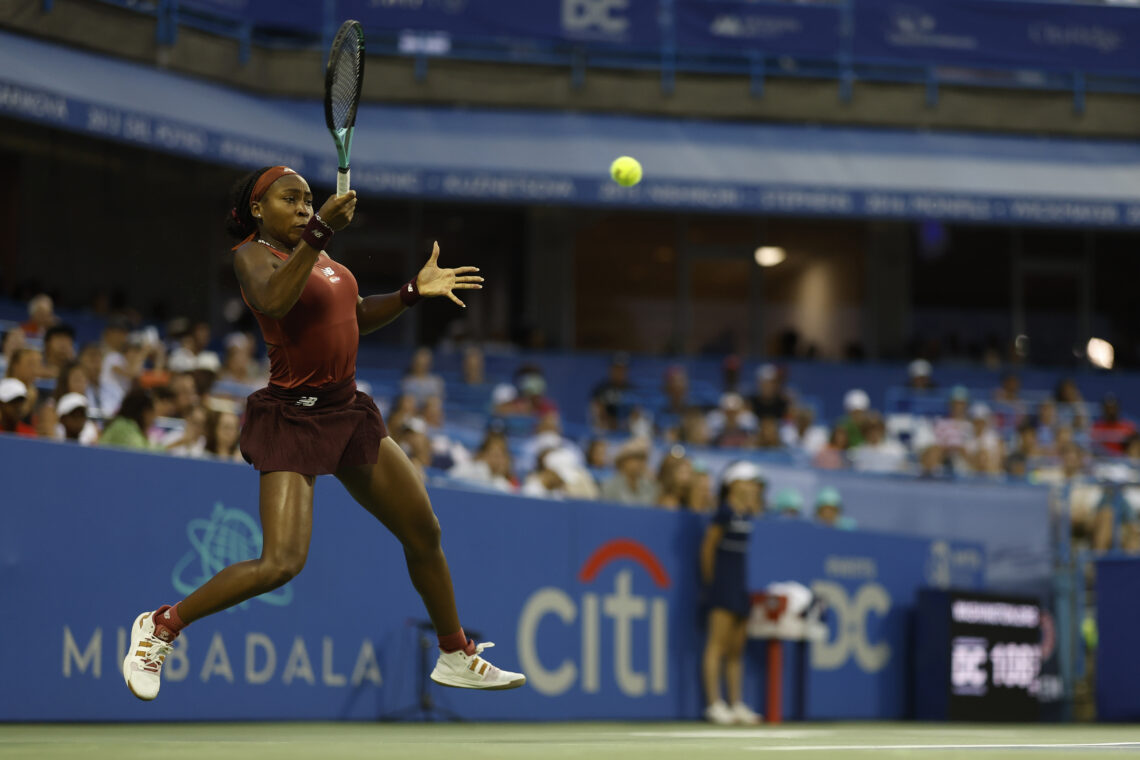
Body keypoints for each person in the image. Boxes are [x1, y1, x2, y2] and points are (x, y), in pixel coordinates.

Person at [121, 165, 522, 702]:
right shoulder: (253, 255)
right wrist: (320, 233)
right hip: (292, 417)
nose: (305, 207)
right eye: (291, 199)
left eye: (309, 199)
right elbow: (273, 301)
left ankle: (454, 653)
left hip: (347, 410)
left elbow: (353, 315)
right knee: (282, 562)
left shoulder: (325, 257)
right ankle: (162, 625)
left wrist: (409, 292)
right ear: (259, 210)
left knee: (423, 531)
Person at [700, 461, 765, 725]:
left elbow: (758, 506)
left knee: (736, 648)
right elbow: (707, 548)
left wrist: (751, 500)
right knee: (716, 645)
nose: (752, 487)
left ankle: (736, 703)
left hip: (739, 586)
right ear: (734, 484)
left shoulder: (746, 513)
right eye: (747, 482)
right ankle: (714, 704)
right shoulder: (723, 513)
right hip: (723, 585)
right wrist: (711, 583)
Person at [600, 438, 658, 505]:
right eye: (636, 458)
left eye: (643, 459)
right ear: (623, 461)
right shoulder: (609, 486)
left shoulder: (650, 486)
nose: (640, 463)